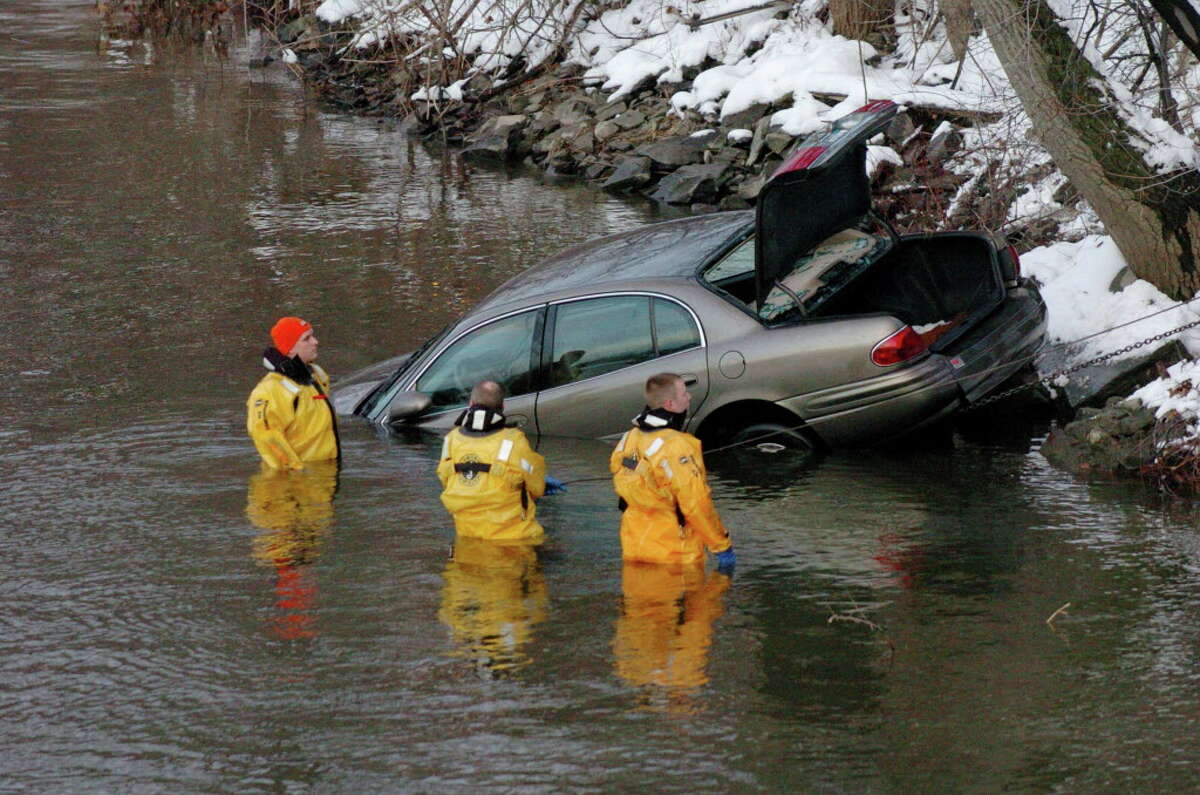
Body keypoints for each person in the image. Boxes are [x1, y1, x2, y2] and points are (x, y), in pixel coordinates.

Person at [610, 373, 735, 571]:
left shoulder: (629, 438)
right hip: (677, 553)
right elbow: (695, 503)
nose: (689, 397)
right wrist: (721, 545)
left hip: (635, 548)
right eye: (684, 393)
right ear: (670, 404)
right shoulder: (676, 446)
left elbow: (621, 482)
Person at [437, 380, 563, 545]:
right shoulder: (514, 441)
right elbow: (536, 488)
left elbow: (447, 480)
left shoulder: (451, 440)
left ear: (471, 403)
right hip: (515, 541)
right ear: (502, 407)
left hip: (467, 539)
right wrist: (540, 483)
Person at [247, 316, 340, 469]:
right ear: (290, 348)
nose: (315, 342)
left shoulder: (316, 375)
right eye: (306, 339)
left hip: (324, 472)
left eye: (312, 336)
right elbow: (267, 439)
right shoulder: (271, 389)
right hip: (295, 478)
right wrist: (297, 473)